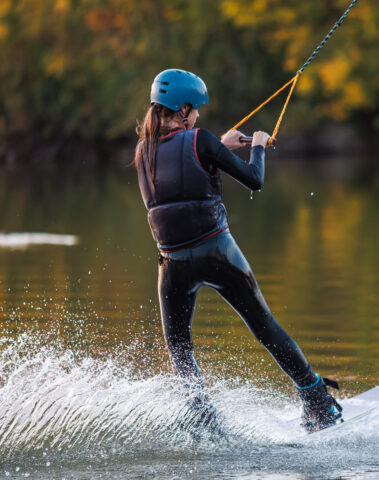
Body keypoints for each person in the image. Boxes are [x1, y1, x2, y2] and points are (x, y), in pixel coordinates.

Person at [133, 69, 341, 433]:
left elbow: (180, 172)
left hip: (172, 264)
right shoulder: (202, 139)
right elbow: (254, 180)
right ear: (182, 110)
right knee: (264, 327)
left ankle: (203, 420)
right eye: (195, 109)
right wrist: (258, 144)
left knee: (180, 351)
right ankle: (317, 401)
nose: (198, 115)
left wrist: (217, 146)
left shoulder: (142, 152)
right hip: (217, 253)